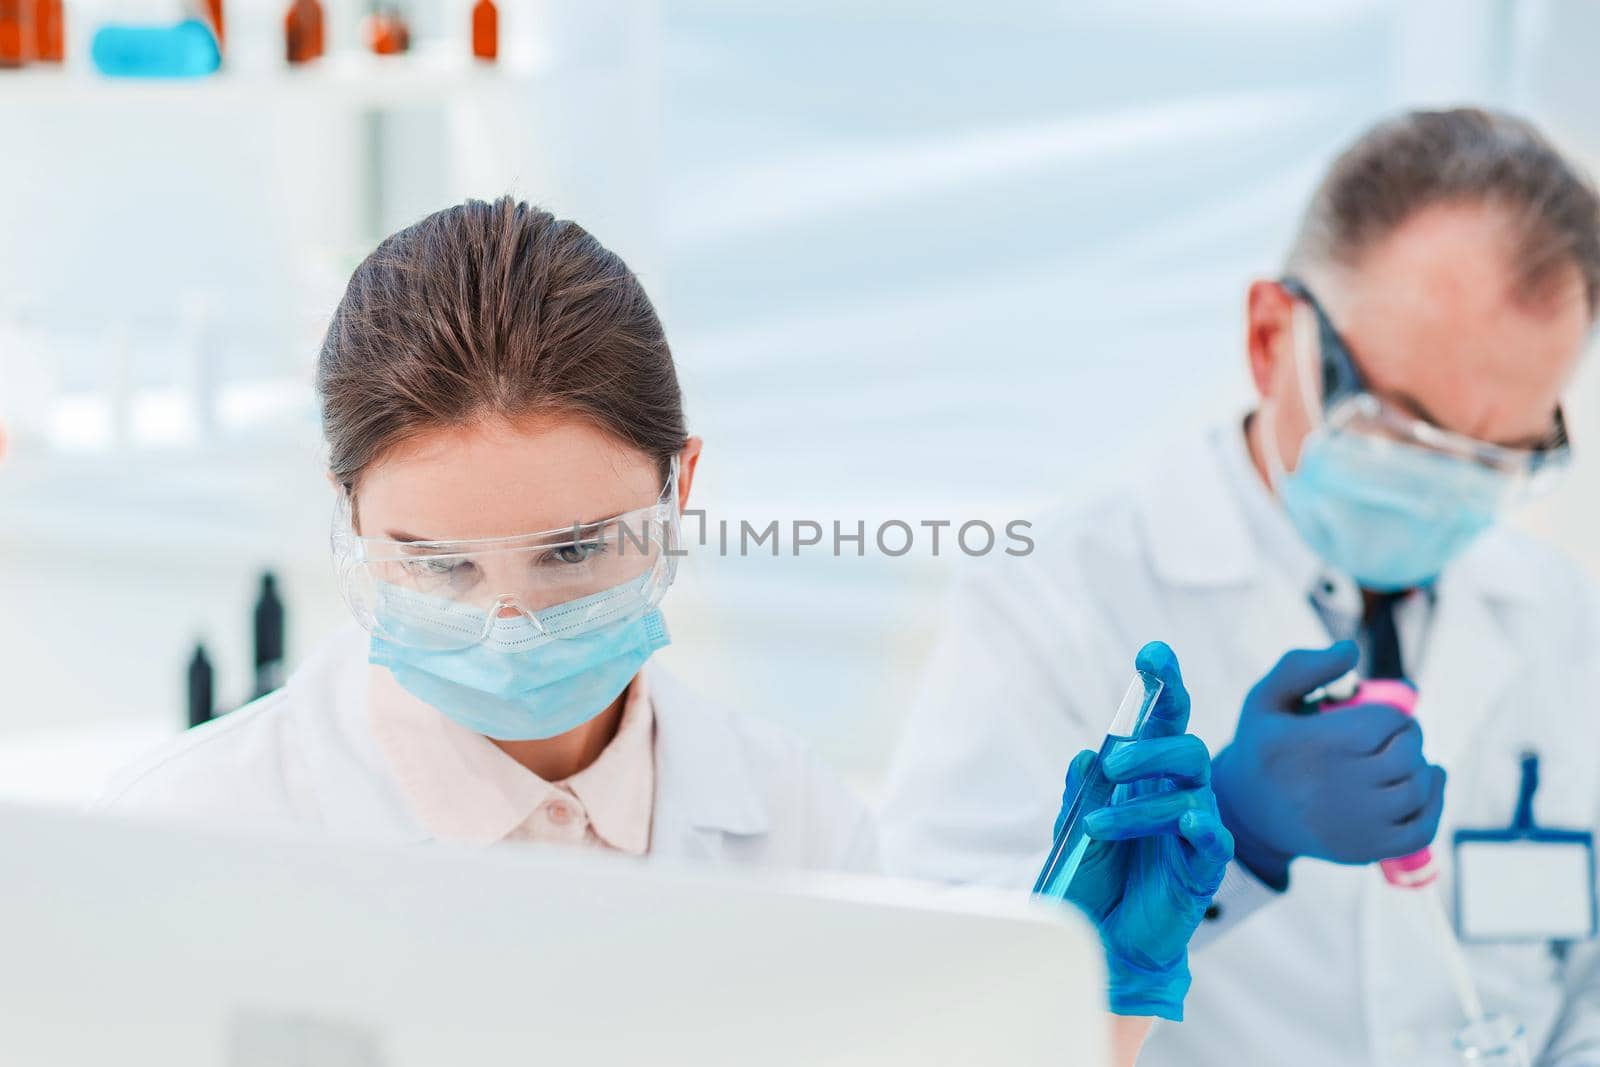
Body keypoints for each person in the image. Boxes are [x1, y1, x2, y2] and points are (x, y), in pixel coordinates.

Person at [95, 198, 1230, 1056]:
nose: (509, 623)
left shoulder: (791, 822)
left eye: (575, 550)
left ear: (679, 487)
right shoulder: (191, 837)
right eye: (439, 564)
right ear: (347, 517)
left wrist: (1089, 1005)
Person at [881, 107, 1600, 1065]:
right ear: (1273, 339)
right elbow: (936, 994)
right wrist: (1238, 841)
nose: (1450, 490)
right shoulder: (1055, 599)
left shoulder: (1569, 627)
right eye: (1404, 432)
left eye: (1501, 456)